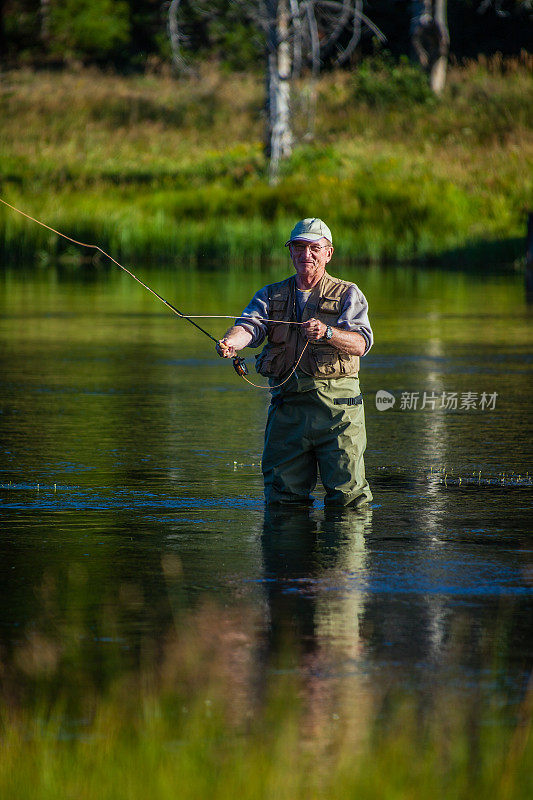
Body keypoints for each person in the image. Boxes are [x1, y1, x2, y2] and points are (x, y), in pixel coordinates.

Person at [216, 217, 373, 507]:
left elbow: (361, 343)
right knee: (282, 500)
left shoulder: (348, 293)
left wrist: (327, 333)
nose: (306, 255)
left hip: (338, 413)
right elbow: (248, 326)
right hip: (287, 412)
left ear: (329, 253)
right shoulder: (270, 294)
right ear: (290, 252)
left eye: (314, 248)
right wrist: (230, 343)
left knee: (349, 500)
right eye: (299, 247)